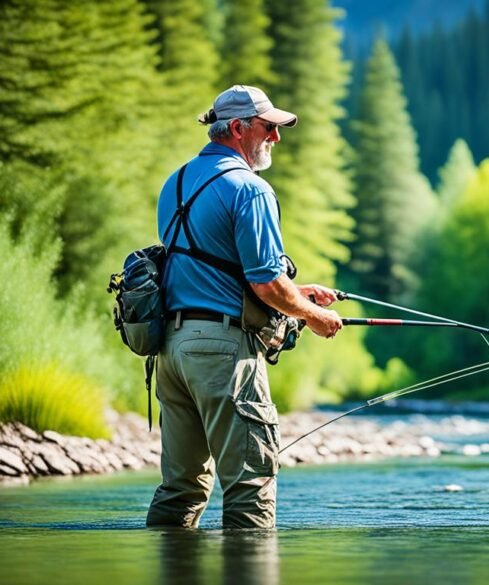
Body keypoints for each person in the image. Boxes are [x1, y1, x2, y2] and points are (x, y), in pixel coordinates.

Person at [146, 85, 343, 529]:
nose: (276, 137)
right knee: (250, 486)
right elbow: (267, 284)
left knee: (180, 490)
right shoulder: (250, 189)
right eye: (268, 127)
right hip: (222, 353)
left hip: (172, 351)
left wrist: (300, 291)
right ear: (238, 128)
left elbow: (213, 263)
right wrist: (313, 316)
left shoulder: (174, 183)